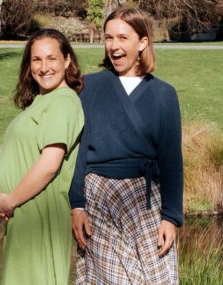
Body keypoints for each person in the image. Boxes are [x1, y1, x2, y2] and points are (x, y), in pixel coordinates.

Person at [70, 7, 183, 285]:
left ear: (142, 42)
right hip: (99, 199)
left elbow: (172, 162)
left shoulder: (164, 95)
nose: (114, 46)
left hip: (144, 201)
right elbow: (78, 152)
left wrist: (171, 216)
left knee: (156, 277)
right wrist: (77, 206)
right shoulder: (90, 87)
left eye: (122, 37)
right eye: (108, 38)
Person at [0, 29, 84, 285]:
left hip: (38, 213)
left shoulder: (63, 102)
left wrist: (10, 200)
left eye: (51, 58)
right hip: (25, 211)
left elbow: (49, 164)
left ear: (67, 61)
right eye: (36, 60)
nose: (44, 68)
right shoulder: (43, 101)